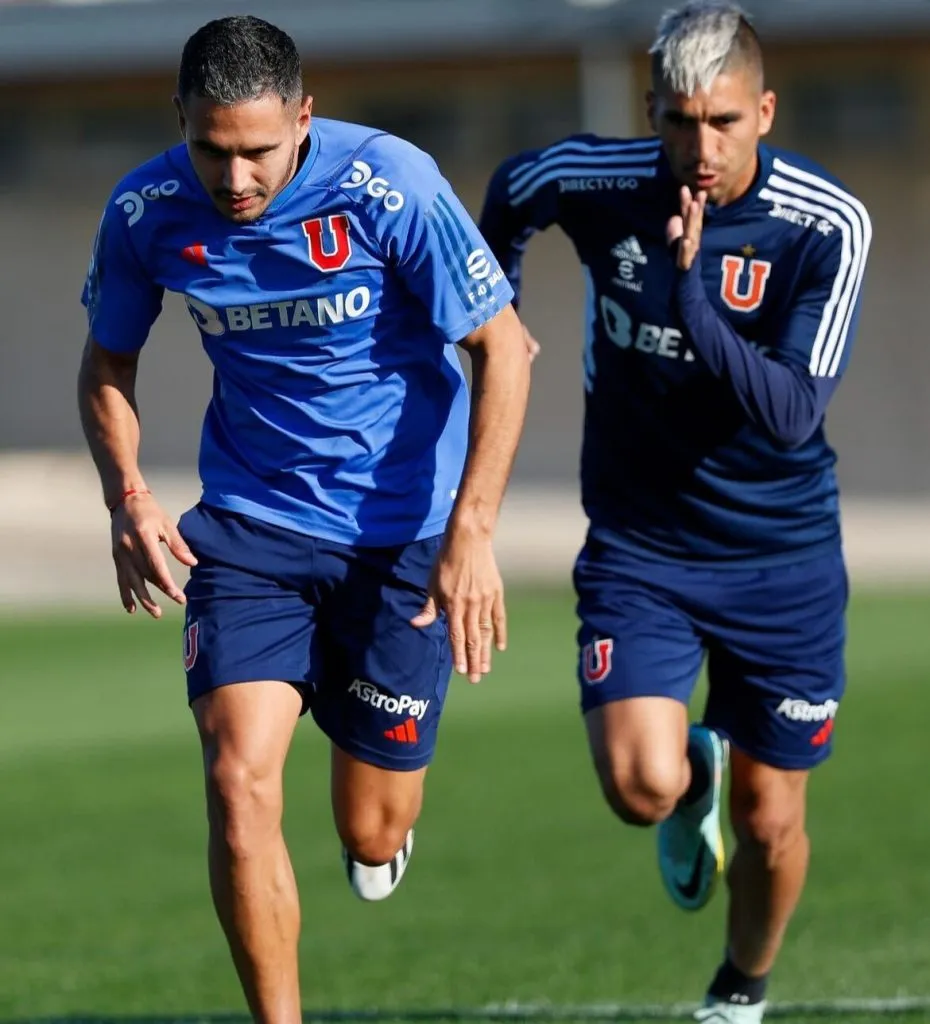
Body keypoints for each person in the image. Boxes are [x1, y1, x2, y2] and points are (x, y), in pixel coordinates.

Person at [77, 15, 529, 1023]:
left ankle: (378, 827)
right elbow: (108, 361)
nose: (235, 178)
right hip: (251, 528)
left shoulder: (391, 184)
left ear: (304, 118)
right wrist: (128, 494)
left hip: (402, 535)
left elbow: (502, 347)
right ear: (180, 121)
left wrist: (472, 532)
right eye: (212, 149)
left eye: (258, 151)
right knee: (237, 785)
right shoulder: (146, 210)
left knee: (371, 830)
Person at [478, 2, 870, 1020]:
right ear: (650, 109)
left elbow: (791, 412)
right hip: (641, 542)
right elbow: (511, 193)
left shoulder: (825, 224)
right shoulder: (598, 181)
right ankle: (691, 777)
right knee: (639, 786)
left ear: (764, 112)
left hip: (781, 557)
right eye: (681, 121)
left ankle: (741, 985)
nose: (702, 147)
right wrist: (494, 317)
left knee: (771, 820)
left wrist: (693, 299)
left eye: (725, 122)